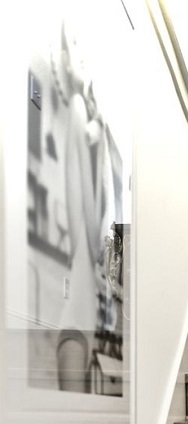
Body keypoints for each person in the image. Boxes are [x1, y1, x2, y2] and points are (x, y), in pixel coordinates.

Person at [55, 19, 106, 392]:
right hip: (78, 318)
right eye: (73, 47)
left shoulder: (83, 116)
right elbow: (88, 228)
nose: (82, 61)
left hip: (82, 314)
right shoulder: (74, 108)